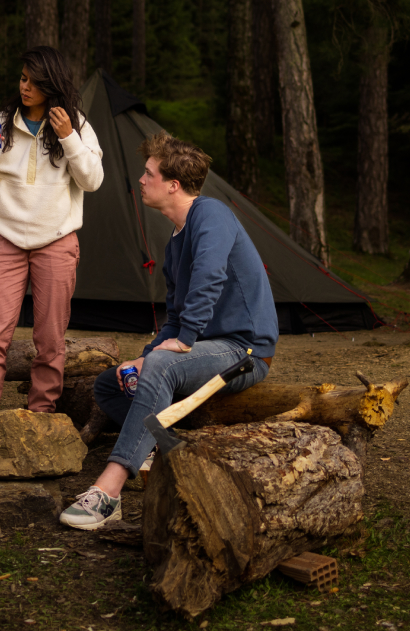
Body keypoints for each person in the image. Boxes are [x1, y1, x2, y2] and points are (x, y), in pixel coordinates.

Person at [59, 134, 277, 530]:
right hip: (206, 349)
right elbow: (174, 317)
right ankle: (162, 450)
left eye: (149, 173)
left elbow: (210, 277)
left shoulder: (211, 214)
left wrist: (182, 340)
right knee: (111, 383)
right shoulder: (175, 243)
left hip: (243, 353)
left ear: (173, 185)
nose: (141, 180)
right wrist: (144, 357)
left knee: (160, 364)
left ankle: (108, 492)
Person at [0, 46, 104, 425]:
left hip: (56, 241)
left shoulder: (76, 124)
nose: (25, 87)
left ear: (51, 85)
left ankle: (41, 418)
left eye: (34, 82)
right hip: (5, 238)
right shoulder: (0, 123)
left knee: (50, 340)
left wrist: (69, 137)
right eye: (23, 78)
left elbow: (92, 180)